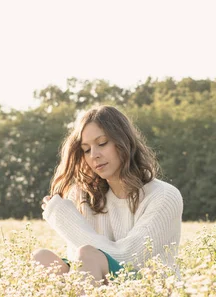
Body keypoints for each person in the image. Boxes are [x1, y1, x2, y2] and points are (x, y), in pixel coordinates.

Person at [32, 105, 183, 285]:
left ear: (123, 142)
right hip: (98, 292)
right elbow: (79, 264)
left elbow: (127, 259)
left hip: (149, 294)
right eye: (86, 149)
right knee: (42, 258)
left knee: (88, 254)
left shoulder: (164, 196)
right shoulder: (82, 195)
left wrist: (65, 221)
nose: (94, 155)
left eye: (102, 143)